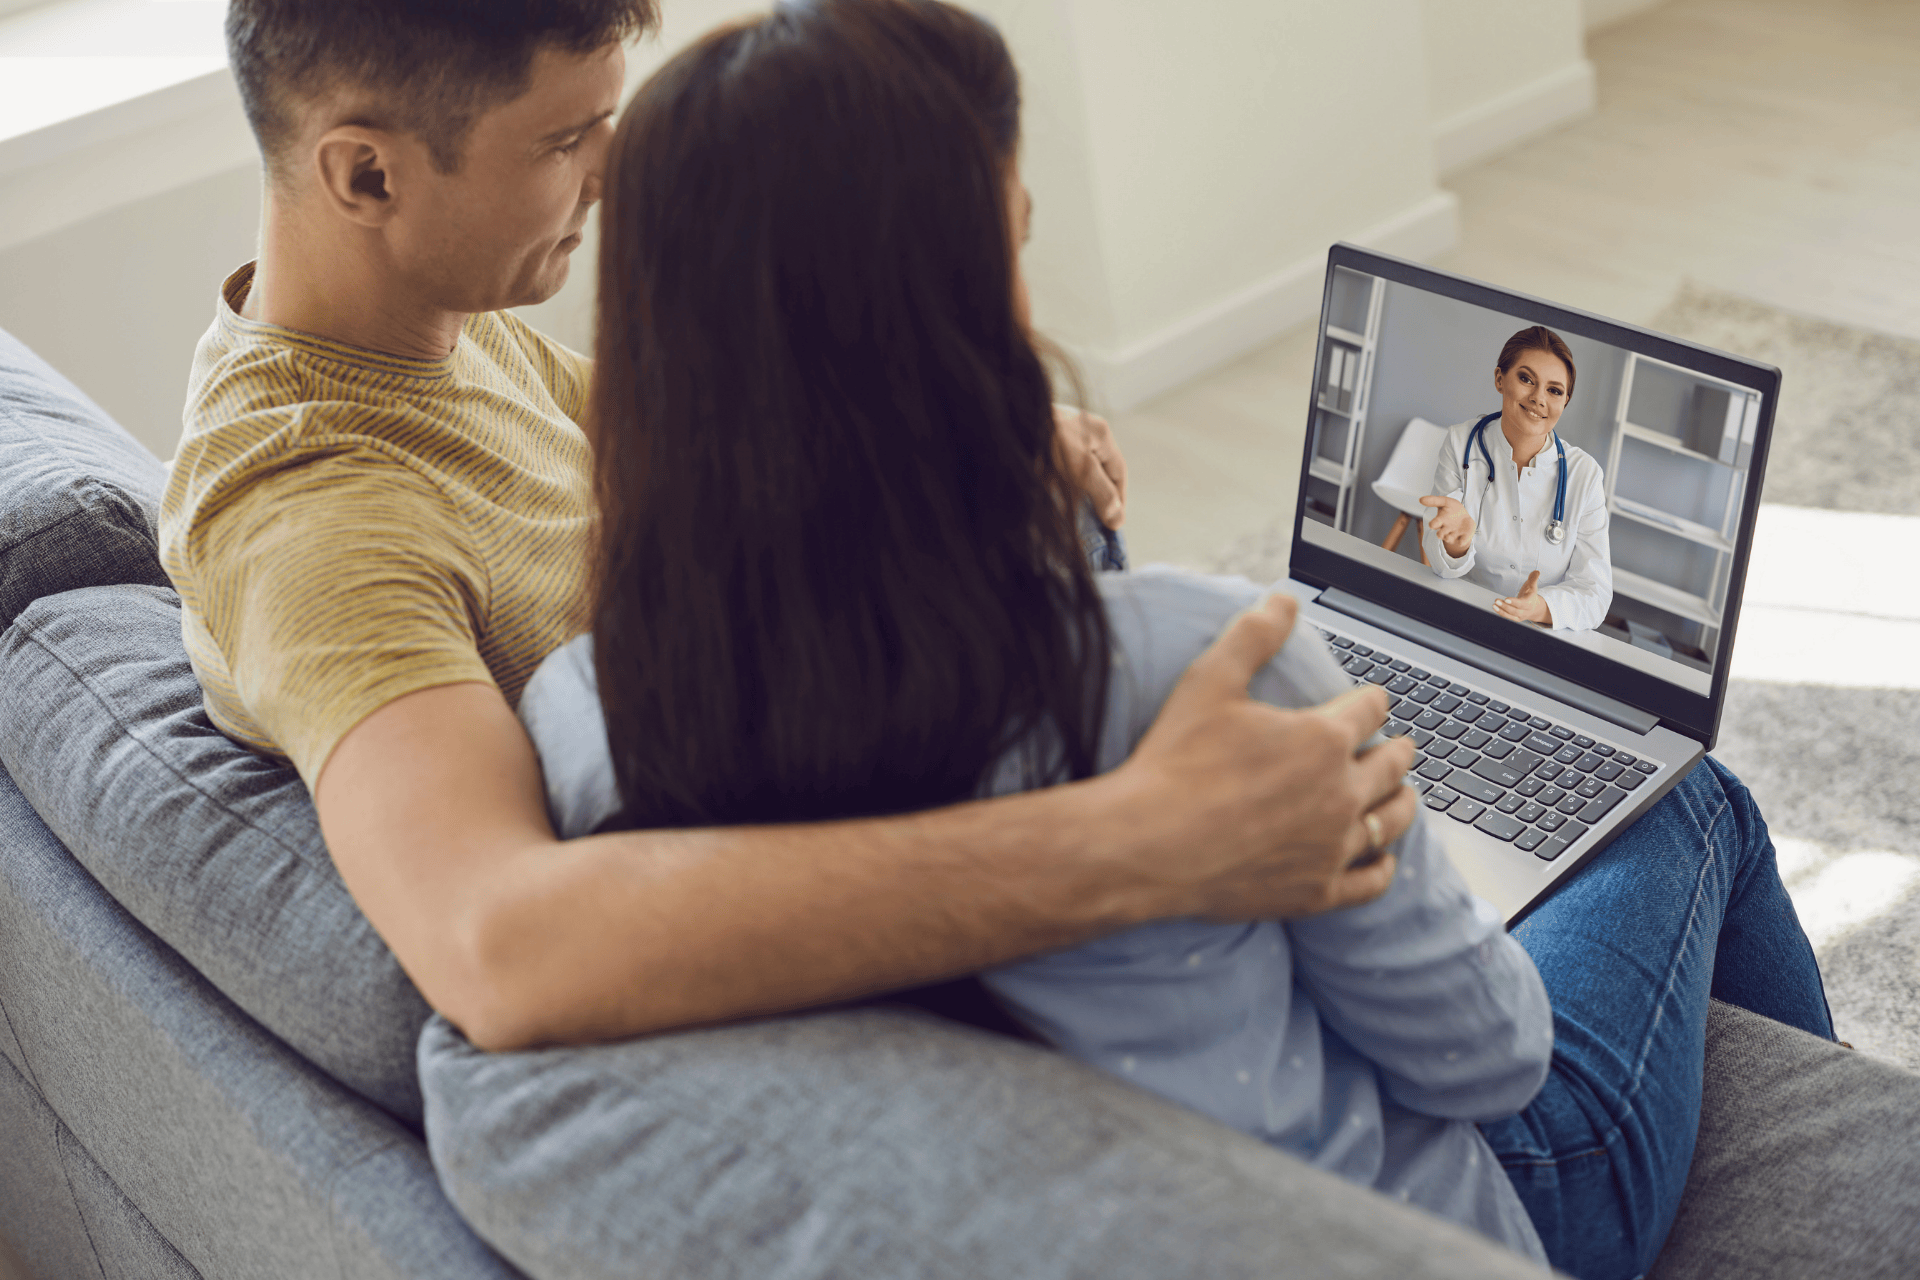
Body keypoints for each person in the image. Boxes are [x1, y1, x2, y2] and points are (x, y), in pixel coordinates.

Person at [516, 3, 1837, 1276]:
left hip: (1091, 1167)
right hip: (1464, 1214)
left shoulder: (586, 714)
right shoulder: (1201, 668)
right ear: (957, 312)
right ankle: (1838, 1182)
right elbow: (1490, 1059)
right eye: (1014, 248)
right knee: (1685, 803)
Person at [158, 0, 1411, 1058]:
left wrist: (985, 422)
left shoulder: (437, 322)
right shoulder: (310, 515)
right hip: (904, 933)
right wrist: (1154, 837)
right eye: (565, 138)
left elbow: (722, 445)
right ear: (367, 172)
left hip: (851, 746)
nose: (611, 170)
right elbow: (500, 944)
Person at [1419, 327, 1613, 631]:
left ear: (1565, 402)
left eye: (1554, 390)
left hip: (1538, 636)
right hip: (1462, 621)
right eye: (1526, 379)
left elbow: (1595, 593)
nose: (1538, 398)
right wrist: (1456, 545)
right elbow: (1440, 564)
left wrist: (1540, 607)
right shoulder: (1460, 443)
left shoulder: (1585, 475)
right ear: (1500, 379)